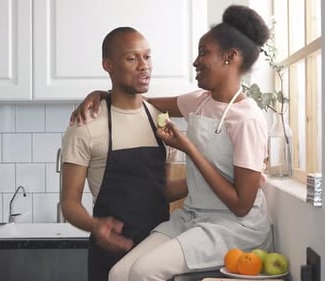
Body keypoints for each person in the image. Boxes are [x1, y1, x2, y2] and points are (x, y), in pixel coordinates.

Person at [73, 5, 272, 280]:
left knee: (144, 271)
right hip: (194, 217)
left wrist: (188, 146)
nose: (195, 61)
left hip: (234, 226)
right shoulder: (200, 101)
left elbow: (241, 205)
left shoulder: (247, 119)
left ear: (230, 57)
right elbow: (140, 101)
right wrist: (100, 93)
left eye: (204, 53)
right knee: (118, 273)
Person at [61, 26, 187, 281]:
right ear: (108, 65)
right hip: (110, 258)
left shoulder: (159, 120)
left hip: (158, 252)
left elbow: (161, 189)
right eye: (132, 58)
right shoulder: (86, 124)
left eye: (147, 56)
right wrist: (95, 226)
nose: (144, 66)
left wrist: (202, 182)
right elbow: (69, 203)